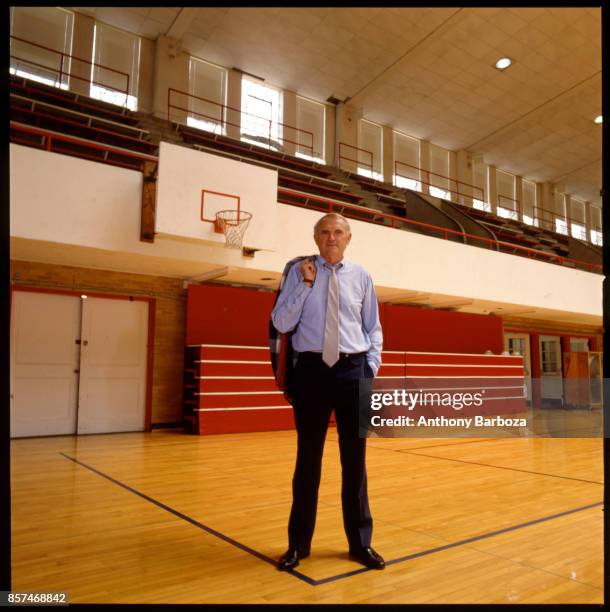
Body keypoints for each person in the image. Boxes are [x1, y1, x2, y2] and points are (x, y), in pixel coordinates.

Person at [271, 212, 385, 571]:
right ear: (316, 237)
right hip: (312, 372)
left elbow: (373, 328)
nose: (331, 238)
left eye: (338, 232)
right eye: (325, 232)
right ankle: (297, 546)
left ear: (348, 238)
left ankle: (361, 544)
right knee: (308, 461)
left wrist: (370, 368)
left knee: (356, 463)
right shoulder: (298, 271)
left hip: (354, 371)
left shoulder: (362, 276)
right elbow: (281, 322)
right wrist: (305, 285)